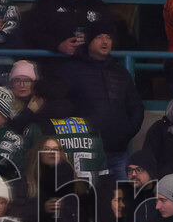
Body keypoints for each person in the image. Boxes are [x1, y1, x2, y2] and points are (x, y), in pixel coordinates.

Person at [59, 20, 144, 180]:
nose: (105, 41)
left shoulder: (120, 72)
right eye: (99, 37)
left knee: (123, 200)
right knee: (87, 200)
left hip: (118, 151)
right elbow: (62, 107)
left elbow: (135, 105)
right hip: (85, 154)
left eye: (108, 37)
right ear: (89, 40)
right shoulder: (72, 70)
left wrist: (127, 131)